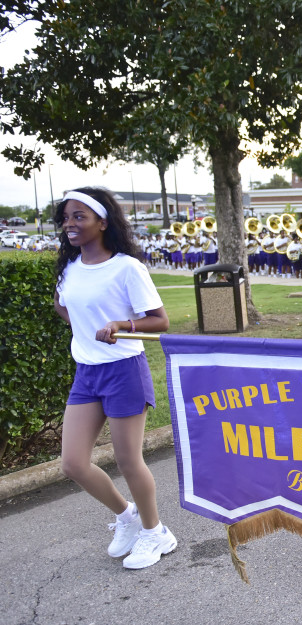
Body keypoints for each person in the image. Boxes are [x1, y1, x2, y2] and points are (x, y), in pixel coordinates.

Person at [52, 187, 177, 570]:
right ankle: (127, 518)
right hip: (86, 373)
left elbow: (160, 320)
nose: (69, 224)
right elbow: (62, 307)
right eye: (66, 218)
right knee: (73, 464)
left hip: (124, 370)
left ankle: (156, 533)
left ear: (102, 223)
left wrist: (122, 324)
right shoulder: (70, 267)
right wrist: (87, 328)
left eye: (79, 217)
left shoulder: (126, 267)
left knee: (127, 459)